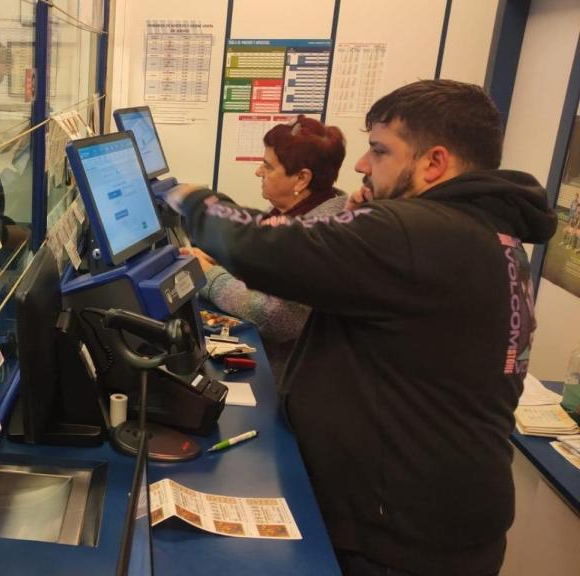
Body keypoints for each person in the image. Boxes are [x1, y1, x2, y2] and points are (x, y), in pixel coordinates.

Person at [164, 80, 557, 575]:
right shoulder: (490, 236)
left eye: (380, 150)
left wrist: (193, 199)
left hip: (398, 538)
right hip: (446, 519)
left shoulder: (419, 231)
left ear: (434, 163)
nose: (362, 165)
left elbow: (264, 247)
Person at [183, 115, 346, 376]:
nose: (259, 172)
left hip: (290, 373)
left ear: (301, 179)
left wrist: (210, 276)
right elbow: (266, 260)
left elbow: (277, 316)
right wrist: (221, 260)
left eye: (268, 167)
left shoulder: (317, 236)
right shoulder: (295, 214)